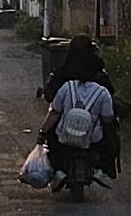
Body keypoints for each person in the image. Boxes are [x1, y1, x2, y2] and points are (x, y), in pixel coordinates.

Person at [42, 33, 120, 186]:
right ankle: (104, 168)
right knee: (111, 134)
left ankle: (58, 169)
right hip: (93, 136)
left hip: (64, 135)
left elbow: (51, 100)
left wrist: (42, 133)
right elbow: (108, 113)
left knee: (51, 136)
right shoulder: (100, 78)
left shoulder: (63, 75)